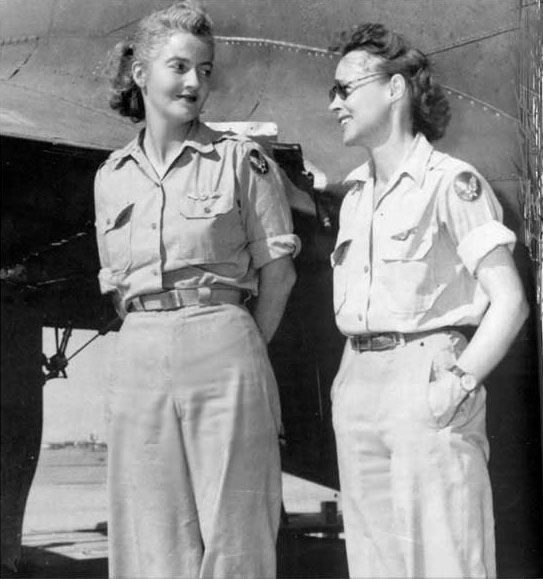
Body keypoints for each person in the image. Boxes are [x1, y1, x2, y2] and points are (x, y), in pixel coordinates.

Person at [94, 3, 299, 577]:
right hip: (140, 350)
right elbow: (119, 287)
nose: (194, 83)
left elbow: (279, 272)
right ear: (140, 73)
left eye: (204, 71)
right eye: (180, 67)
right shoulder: (110, 176)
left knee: (236, 533)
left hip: (224, 343)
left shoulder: (240, 160)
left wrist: (241, 347)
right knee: (147, 532)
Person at [318, 22, 529, 578]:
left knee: (447, 562)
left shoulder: (451, 183)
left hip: (427, 384)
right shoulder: (356, 195)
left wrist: (458, 384)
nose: (334, 103)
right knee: (374, 565)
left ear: (394, 89)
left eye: (345, 88)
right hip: (360, 385)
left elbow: (510, 302)